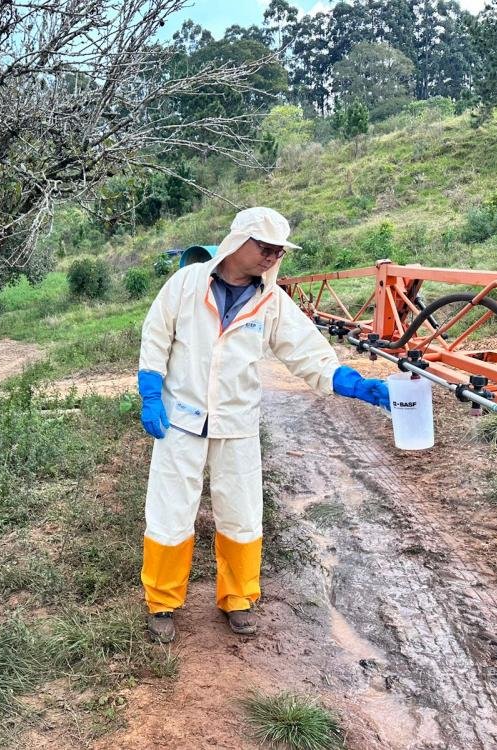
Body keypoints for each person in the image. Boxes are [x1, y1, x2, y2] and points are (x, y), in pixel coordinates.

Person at [137, 207, 389, 643]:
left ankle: (237, 598)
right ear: (238, 242)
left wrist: (354, 384)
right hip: (180, 420)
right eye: (265, 247)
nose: (272, 257)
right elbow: (156, 337)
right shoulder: (186, 284)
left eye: (278, 251)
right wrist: (151, 392)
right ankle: (162, 603)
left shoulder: (271, 301)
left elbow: (307, 352)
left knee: (242, 513)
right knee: (170, 510)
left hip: (236, 422)